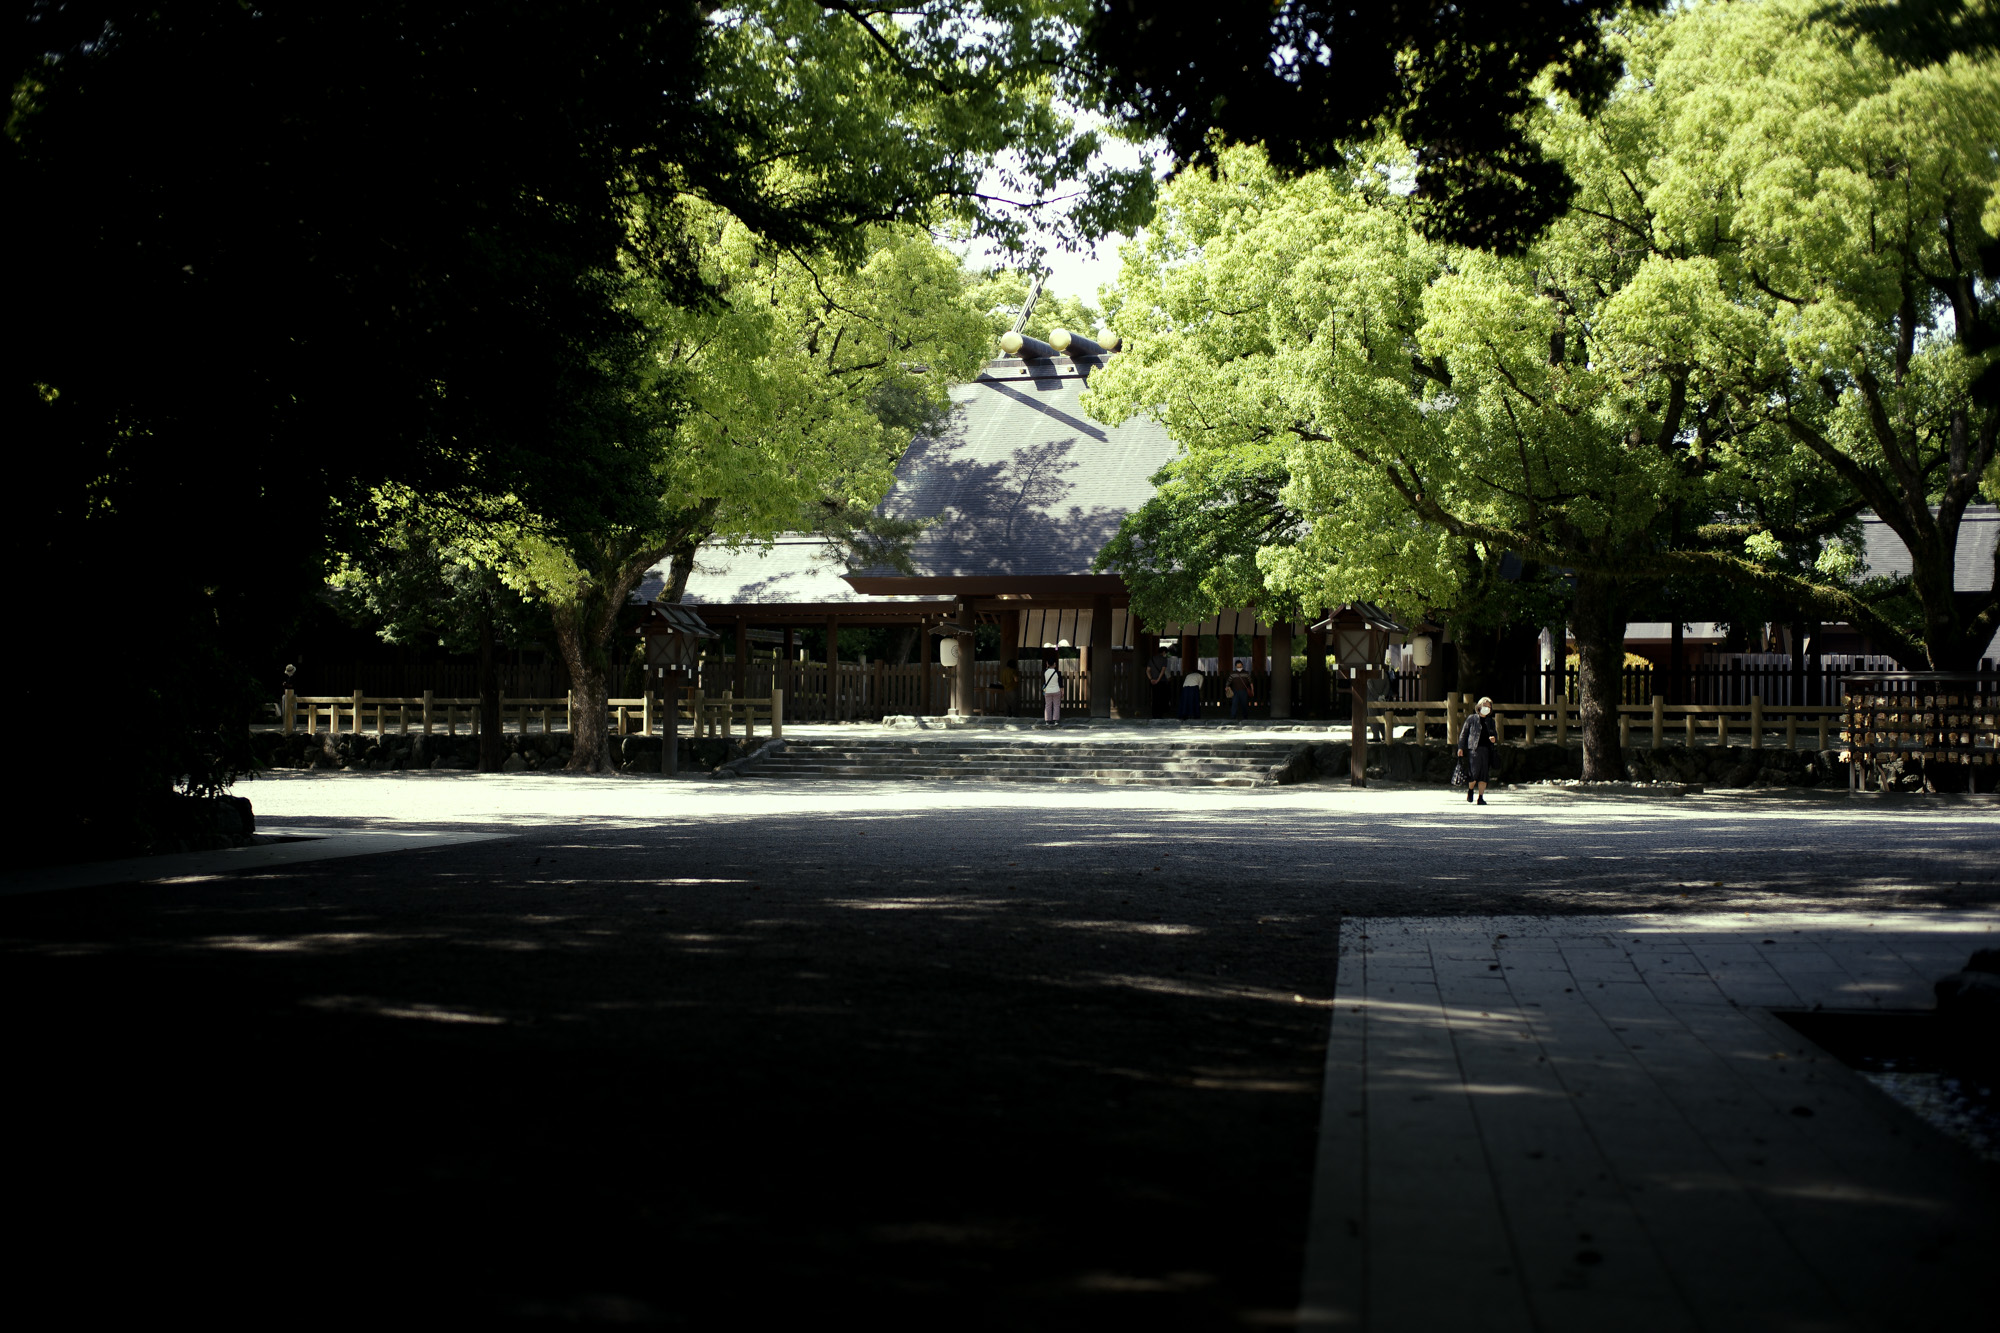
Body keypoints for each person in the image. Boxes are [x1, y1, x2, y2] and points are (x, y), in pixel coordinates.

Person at [1457, 695, 1498, 805]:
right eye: (1484, 705)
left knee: (1484, 774)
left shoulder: (1490, 721)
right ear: (1479, 706)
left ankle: (1480, 797)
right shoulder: (1472, 718)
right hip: (1474, 749)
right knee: (1474, 773)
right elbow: (1464, 734)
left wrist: (1494, 739)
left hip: (1486, 750)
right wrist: (1460, 747)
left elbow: (1495, 735)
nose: (1486, 708)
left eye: (1488, 706)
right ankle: (1470, 790)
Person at [1147, 645, 1178, 719]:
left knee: (1154, 698)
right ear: (1164, 652)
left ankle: (1154, 714)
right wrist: (1158, 680)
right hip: (1161, 681)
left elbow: (1147, 670)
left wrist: (1151, 679)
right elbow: (1163, 670)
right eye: (1166, 652)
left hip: (1153, 682)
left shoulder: (1151, 659)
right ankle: (1160, 714)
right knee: (1161, 698)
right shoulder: (1164, 659)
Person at [1040, 645, 1064, 728]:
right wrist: (1062, 691)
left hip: (1048, 691)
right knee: (1056, 705)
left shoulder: (1045, 672)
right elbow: (1060, 683)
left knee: (1048, 705)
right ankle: (1056, 720)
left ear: (1047, 664)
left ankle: (1047, 720)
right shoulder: (1058, 673)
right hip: (1056, 690)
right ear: (1054, 664)